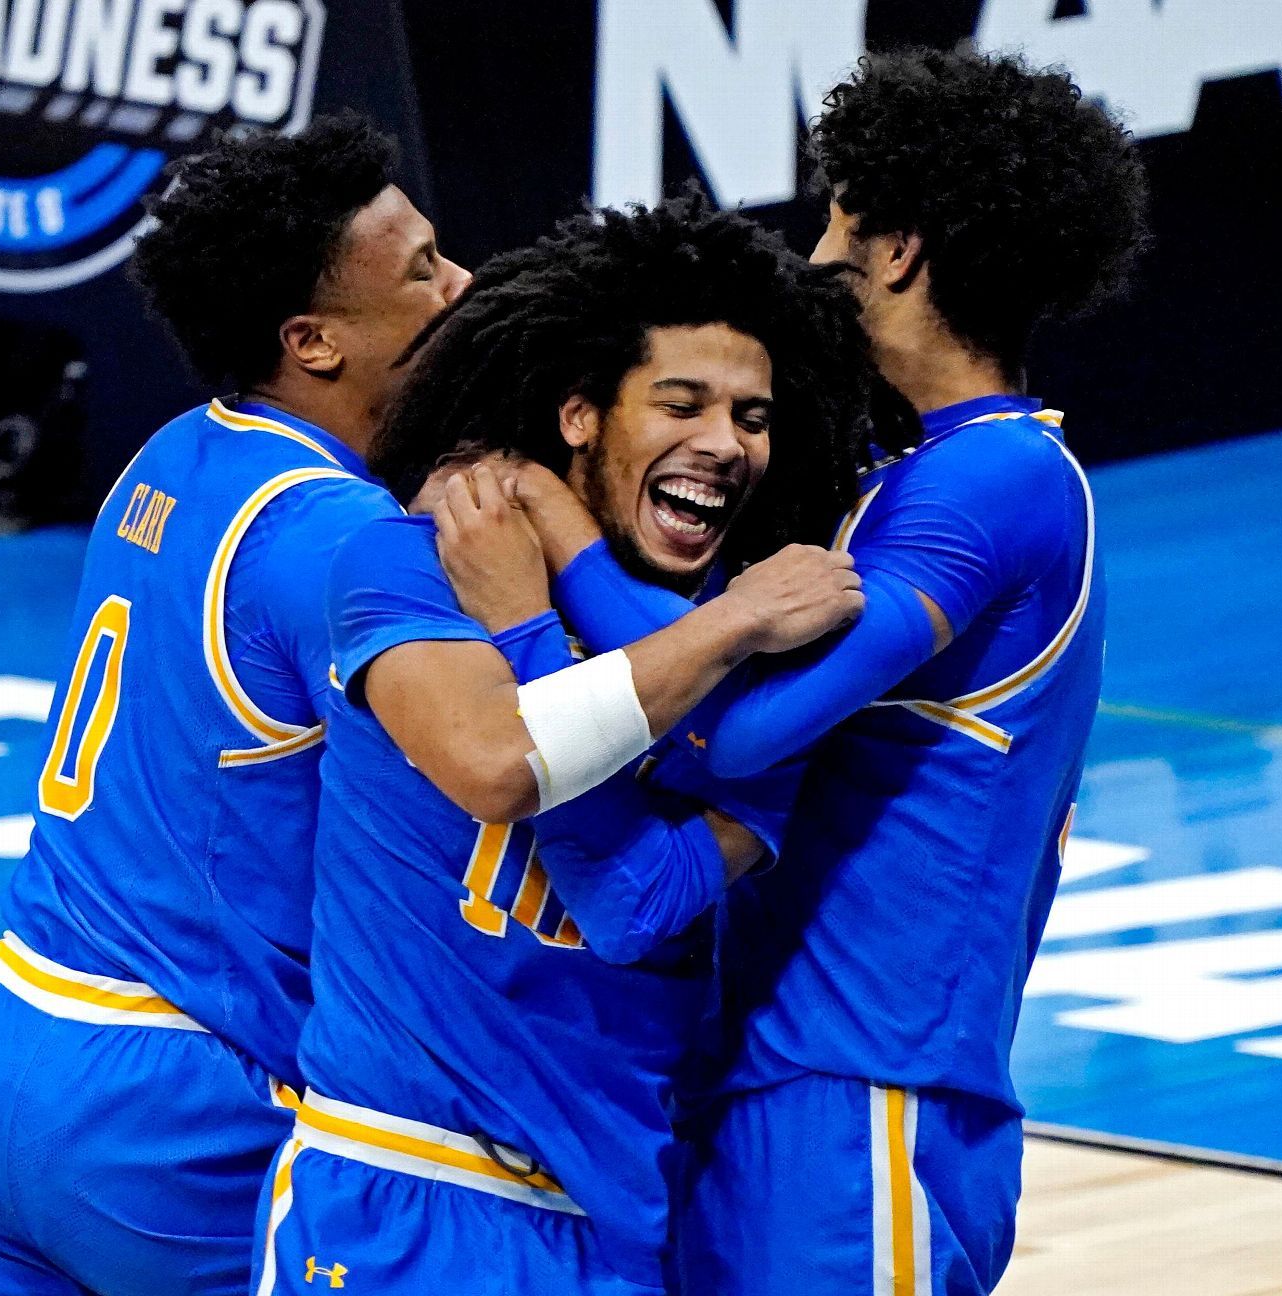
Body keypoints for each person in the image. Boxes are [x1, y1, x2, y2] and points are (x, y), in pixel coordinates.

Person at [484, 48, 1150, 1296]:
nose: (819, 256)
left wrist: (556, 539)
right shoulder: (903, 472)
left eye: (840, 222)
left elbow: (735, 735)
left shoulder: (997, 479)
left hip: (866, 1093)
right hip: (779, 1070)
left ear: (897, 249)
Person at [250, 193, 877, 1296]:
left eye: (753, 416)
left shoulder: (773, 669)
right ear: (581, 416)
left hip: (614, 1221)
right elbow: (498, 765)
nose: (723, 443)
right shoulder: (411, 562)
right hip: (406, 1192)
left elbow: (634, 903)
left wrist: (542, 626)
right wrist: (720, 624)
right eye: (681, 403)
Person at [0, 114, 470, 1296]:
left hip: (21, 1025)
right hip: (173, 1106)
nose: (463, 285)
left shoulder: (168, 451)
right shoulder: (337, 536)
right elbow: (494, 765)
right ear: (312, 341)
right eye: (423, 270)